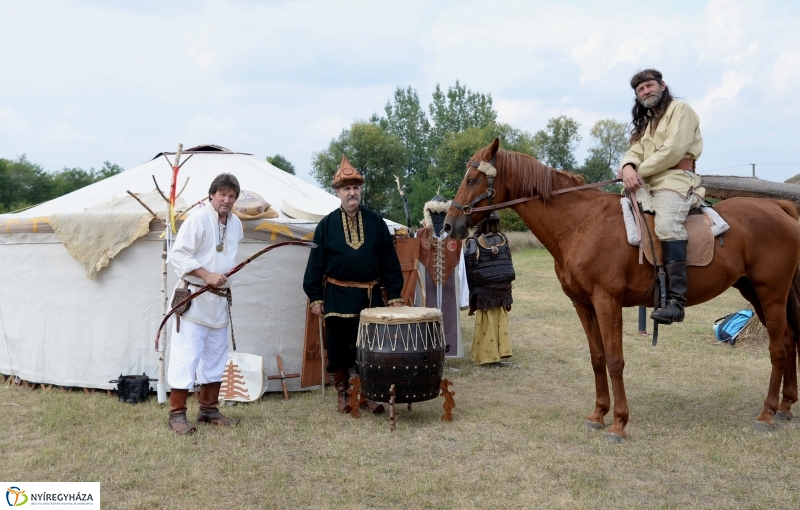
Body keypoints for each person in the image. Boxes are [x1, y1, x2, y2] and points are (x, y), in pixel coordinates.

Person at [303, 155, 404, 414]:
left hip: (369, 297)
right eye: (346, 188)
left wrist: (395, 295)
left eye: (356, 188)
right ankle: (343, 394)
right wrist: (315, 297)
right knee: (338, 348)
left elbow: (390, 262)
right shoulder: (326, 225)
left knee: (368, 348)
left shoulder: (376, 222)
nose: (352, 192)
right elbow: (315, 264)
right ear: (337, 192)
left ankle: (367, 393)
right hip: (336, 296)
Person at [618, 69, 704, 325]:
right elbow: (635, 150)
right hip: (647, 182)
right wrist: (627, 167)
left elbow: (673, 151)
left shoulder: (680, 110)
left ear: (662, 85)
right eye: (640, 89)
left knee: (667, 224)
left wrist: (638, 172)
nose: (646, 91)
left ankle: (676, 302)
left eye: (649, 85)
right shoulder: (648, 121)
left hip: (676, 180)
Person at [167, 173, 244, 434]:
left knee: (216, 355)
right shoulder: (198, 219)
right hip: (194, 298)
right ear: (212, 195)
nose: (227, 200)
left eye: (231, 196)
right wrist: (207, 275)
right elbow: (178, 255)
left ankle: (208, 409)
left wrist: (221, 277)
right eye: (222, 194)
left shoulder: (236, 224)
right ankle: (177, 414)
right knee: (186, 356)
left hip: (219, 302)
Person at [464, 212, 514, 366]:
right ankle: (497, 352)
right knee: (499, 319)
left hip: (485, 290)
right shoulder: (503, 239)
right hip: (501, 288)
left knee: (487, 321)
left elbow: (468, 268)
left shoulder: (473, 242)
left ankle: (488, 355)